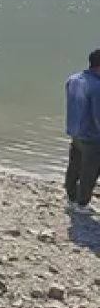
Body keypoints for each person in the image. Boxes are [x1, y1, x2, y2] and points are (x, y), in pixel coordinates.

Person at [65, 48, 100, 215]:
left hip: (75, 131)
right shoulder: (97, 87)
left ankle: (71, 199)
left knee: (74, 167)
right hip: (92, 137)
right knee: (90, 171)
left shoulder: (73, 79)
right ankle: (82, 204)